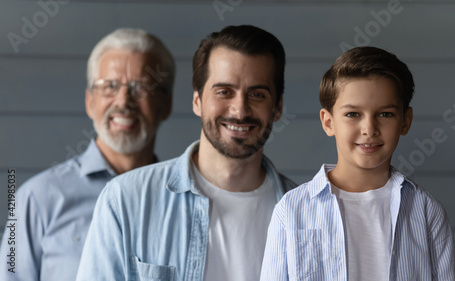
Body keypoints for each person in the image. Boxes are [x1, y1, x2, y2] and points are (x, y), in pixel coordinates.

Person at [76, 25, 295, 281]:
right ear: (197, 101)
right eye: (224, 92)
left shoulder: (304, 214)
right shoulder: (125, 200)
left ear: (277, 106)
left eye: (257, 94)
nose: (239, 110)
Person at [260, 46, 455, 281]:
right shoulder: (291, 210)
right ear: (328, 122)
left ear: (405, 121)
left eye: (385, 114)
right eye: (353, 114)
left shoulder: (427, 212)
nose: (369, 129)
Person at [0, 28, 175, 281]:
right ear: (90, 101)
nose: (123, 101)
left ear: (166, 105)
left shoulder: (181, 200)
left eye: (141, 87)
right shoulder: (33, 199)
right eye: (110, 86)